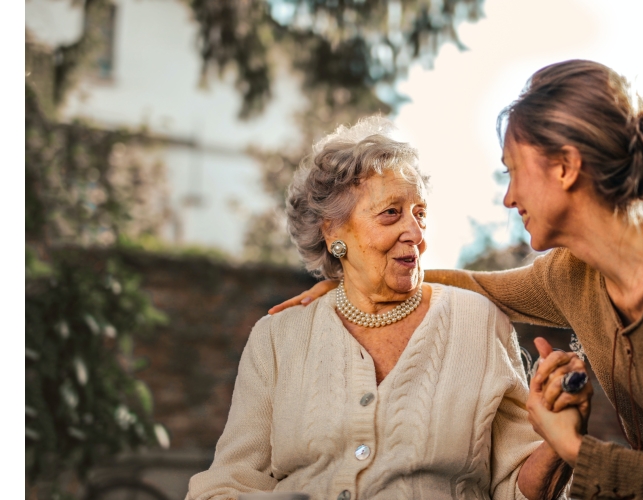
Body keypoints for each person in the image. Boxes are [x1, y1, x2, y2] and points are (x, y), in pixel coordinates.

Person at [269, 60, 643, 499]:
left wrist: (573, 447)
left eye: (513, 171)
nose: (509, 198)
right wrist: (356, 282)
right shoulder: (574, 273)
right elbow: (478, 286)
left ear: (566, 167)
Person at [186, 117, 587, 500]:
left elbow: (517, 489)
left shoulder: (479, 323)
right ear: (333, 231)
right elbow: (230, 479)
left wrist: (557, 443)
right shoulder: (277, 337)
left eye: (421, 214)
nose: (414, 234)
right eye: (391, 213)